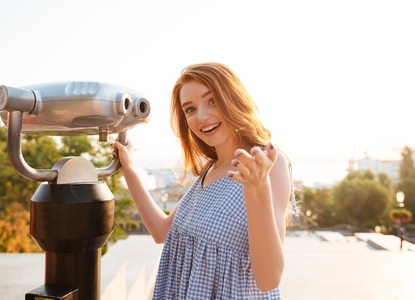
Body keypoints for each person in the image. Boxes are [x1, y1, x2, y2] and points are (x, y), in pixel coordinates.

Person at [112, 62, 297, 299]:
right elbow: (162, 233)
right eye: (190, 109)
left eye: (212, 100)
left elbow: (269, 279)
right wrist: (129, 169)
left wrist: (256, 187)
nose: (202, 116)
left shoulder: (267, 164)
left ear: (233, 98)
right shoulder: (209, 172)